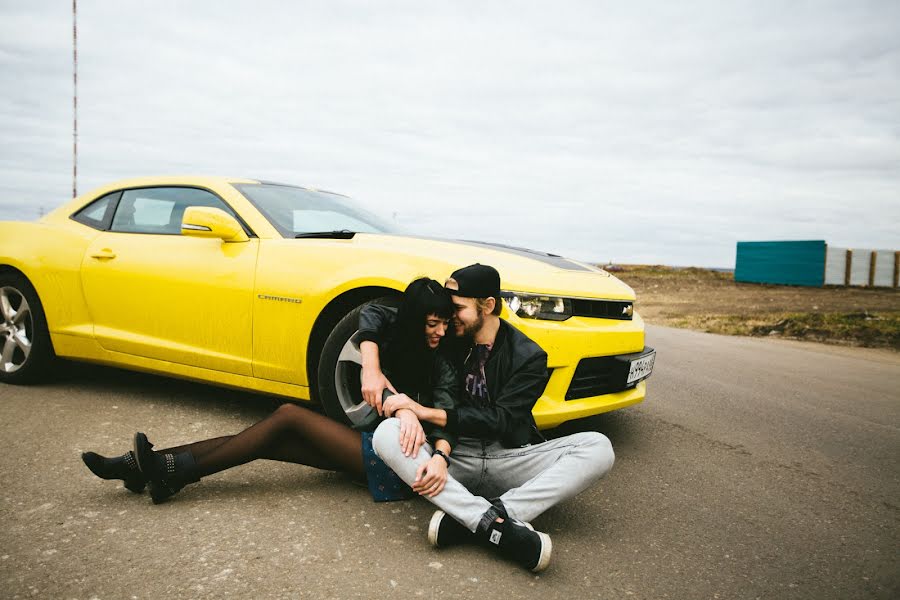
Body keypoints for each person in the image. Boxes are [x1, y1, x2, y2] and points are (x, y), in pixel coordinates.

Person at [81, 278, 458, 504]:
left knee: (288, 416)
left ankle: (157, 469)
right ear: (413, 319)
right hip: (368, 441)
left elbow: (444, 417)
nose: (440, 332)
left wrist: (409, 414)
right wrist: (371, 366)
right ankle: (151, 469)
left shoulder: (441, 362)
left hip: (397, 462)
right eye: (432, 324)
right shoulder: (399, 330)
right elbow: (372, 315)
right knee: (267, 440)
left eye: (444, 324)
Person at [362, 264, 615, 573]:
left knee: (598, 447)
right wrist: (370, 365)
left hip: (507, 457)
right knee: (387, 433)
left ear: (488, 306)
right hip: (455, 459)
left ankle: (482, 517)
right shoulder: (450, 336)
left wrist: (424, 411)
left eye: (457, 308)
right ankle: (495, 525)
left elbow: (502, 421)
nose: (448, 317)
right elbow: (379, 312)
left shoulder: (528, 356)